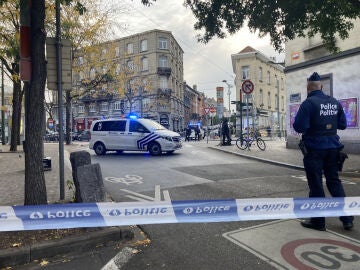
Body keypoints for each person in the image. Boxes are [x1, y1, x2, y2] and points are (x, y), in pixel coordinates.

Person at [293, 72, 354, 231]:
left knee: (316, 185)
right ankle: (347, 219)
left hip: (314, 150)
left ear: (308, 87)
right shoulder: (334, 102)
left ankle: (318, 222)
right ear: (321, 86)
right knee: (334, 182)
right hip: (333, 149)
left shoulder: (308, 104)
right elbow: (342, 125)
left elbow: (299, 127)